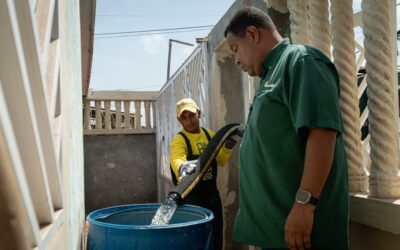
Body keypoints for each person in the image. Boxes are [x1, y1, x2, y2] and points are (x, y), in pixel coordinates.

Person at [224, 6, 348, 250]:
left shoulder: (300, 61)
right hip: (278, 232)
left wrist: (304, 204)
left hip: (304, 235)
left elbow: (322, 133)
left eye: (235, 49)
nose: (236, 60)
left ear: (252, 34)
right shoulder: (270, 75)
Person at [170, 98, 238, 250]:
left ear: (199, 113)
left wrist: (229, 145)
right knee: (194, 239)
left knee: (215, 235)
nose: (189, 121)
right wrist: (182, 167)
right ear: (179, 120)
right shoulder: (179, 140)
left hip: (212, 197)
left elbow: (220, 161)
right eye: (184, 117)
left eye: (192, 115)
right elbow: (176, 157)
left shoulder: (210, 135)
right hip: (191, 200)